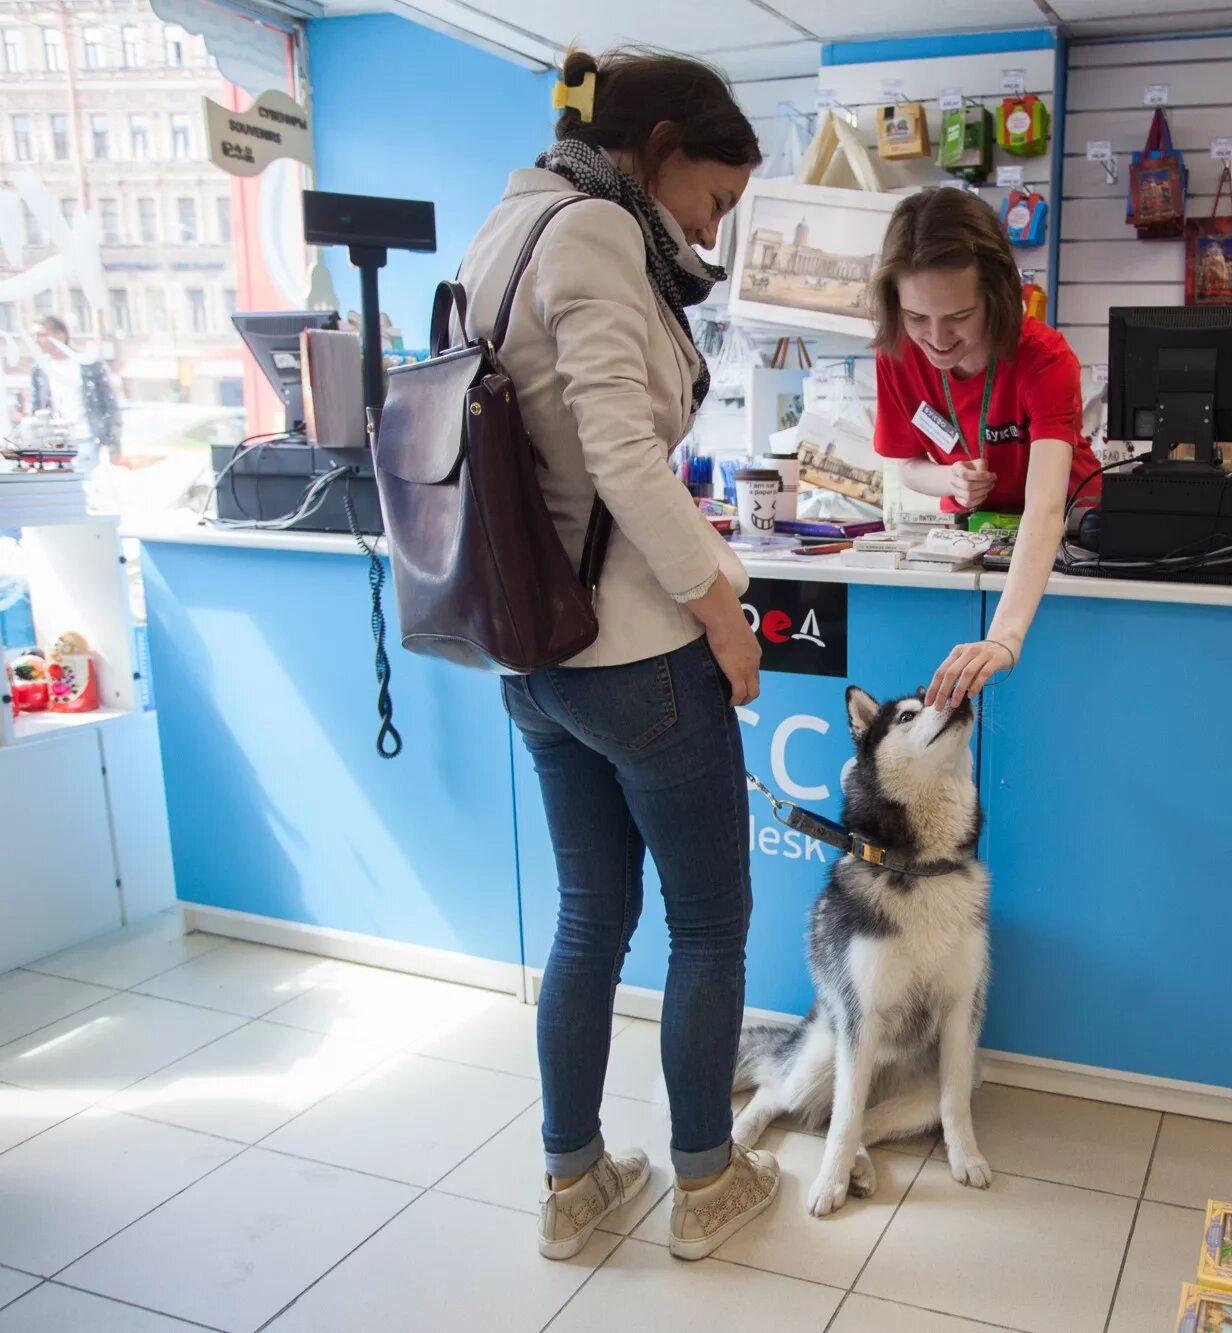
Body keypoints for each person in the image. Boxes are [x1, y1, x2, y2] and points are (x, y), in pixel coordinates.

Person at [456, 46, 777, 1264]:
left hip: (533, 655)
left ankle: (573, 1182)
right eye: (712, 198)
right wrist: (724, 612)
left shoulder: (510, 223)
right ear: (659, 150)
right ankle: (705, 1184)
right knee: (708, 923)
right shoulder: (594, 232)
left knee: (590, 916)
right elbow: (620, 457)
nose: (710, 227)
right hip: (633, 650)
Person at [871, 188, 1094, 706]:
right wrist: (947, 479)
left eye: (958, 316)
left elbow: (1046, 505)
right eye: (916, 317)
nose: (937, 338)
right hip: (972, 549)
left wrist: (1005, 638)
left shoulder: (1044, 359)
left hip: (1063, 550)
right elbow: (908, 466)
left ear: (995, 295)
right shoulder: (897, 356)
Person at [29, 316, 120, 471]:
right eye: (34, 336)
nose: (36, 340)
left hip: (85, 438)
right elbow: (37, 405)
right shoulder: (40, 369)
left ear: (60, 335)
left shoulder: (88, 365)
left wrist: (113, 445)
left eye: (42, 335)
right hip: (55, 443)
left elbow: (108, 404)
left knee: (83, 485)